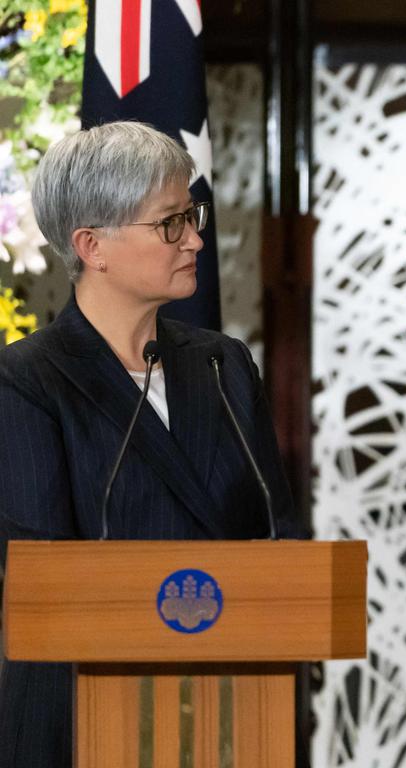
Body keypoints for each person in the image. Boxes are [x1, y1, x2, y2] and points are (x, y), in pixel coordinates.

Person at [0, 121, 297, 767]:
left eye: (192, 216)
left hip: (228, 711)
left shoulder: (222, 365)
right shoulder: (25, 379)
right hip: (80, 720)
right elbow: (42, 578)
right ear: (92, 246)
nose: (195, 238)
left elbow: (280, 535)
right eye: (170, 223)